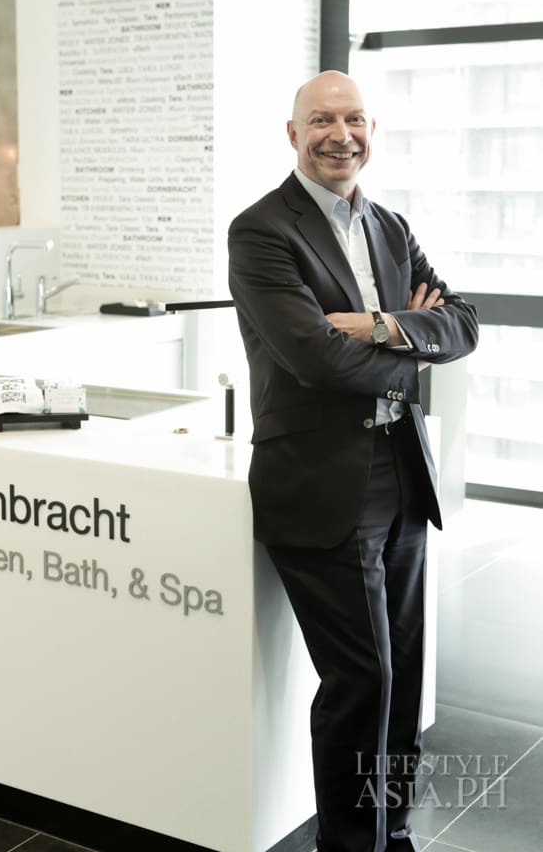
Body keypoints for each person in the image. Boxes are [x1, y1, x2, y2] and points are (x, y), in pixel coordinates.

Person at [227, 71, 479, 852]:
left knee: (401, 669)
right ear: (293, 133)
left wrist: (373, 325)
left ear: (370, 130)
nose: (340, 135)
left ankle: (389, 829)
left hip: (399, 469)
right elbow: (313, 359)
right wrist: (412, 350)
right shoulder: (261, 231)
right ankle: (348, 845)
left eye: (354, 119)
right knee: (362, 681)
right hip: (320, 483)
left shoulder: (389, 227)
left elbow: (463, 323)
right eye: (321, 121)